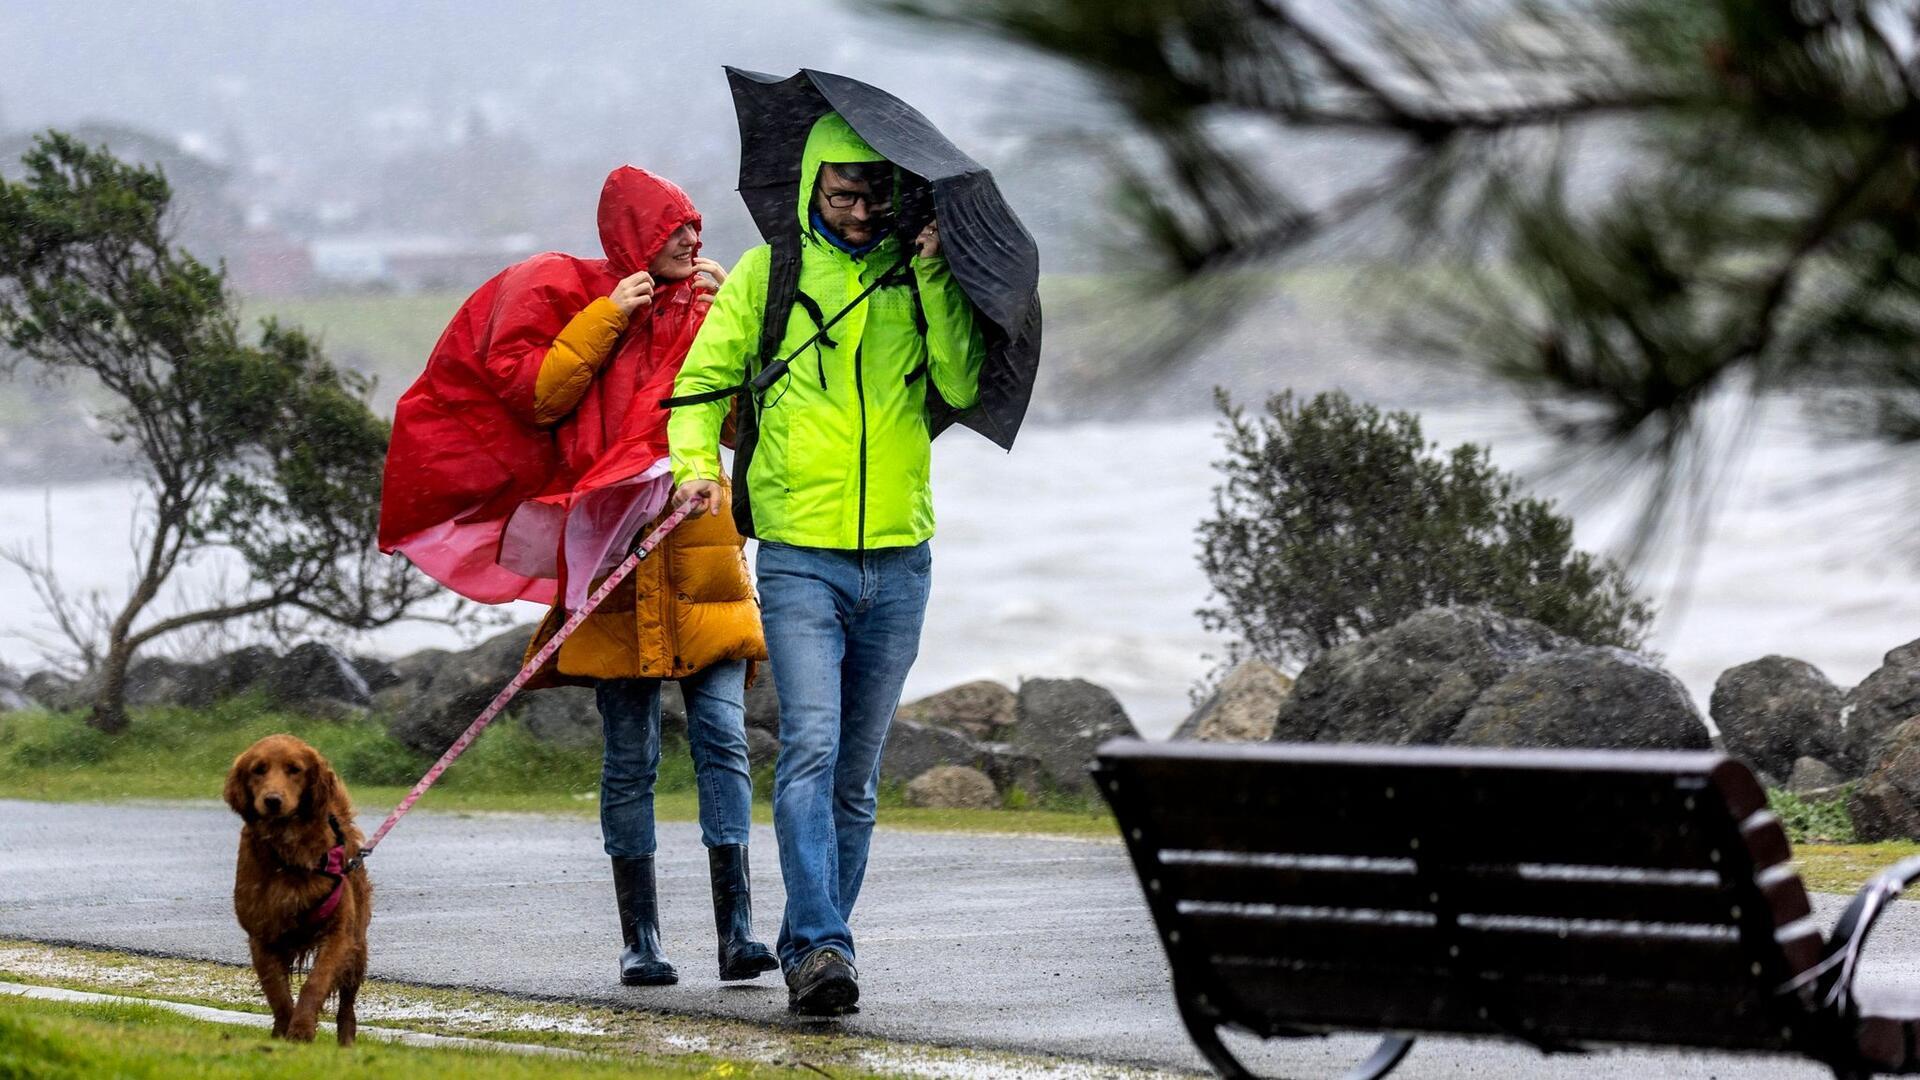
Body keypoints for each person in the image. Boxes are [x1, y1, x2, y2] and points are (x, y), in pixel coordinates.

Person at [379, 166, 777, 989]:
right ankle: (642, 940)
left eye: (696, 227)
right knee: (627, 756)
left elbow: (741, 423)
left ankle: (738, 933)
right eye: (675, 227)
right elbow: (542, 400)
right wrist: (609, 319)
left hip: (701, 546)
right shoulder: (585, 304)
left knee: (724, 743)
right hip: (611, 554)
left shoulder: (711, 309)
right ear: (636, 234)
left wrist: (736, 314)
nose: (692, 241)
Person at [665, 113, 985, 1015]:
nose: (857, 211)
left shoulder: (918, 270)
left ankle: (817, 943)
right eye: (842, 194)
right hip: (802, 555)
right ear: (811, 187)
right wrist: (697, 470)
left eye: (874, 195)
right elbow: (698, 391)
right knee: (810, 743)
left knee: (857, 769)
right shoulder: (770, 273)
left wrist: (930, 271)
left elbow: (959, 385)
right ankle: (822, 945)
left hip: (901, 557)